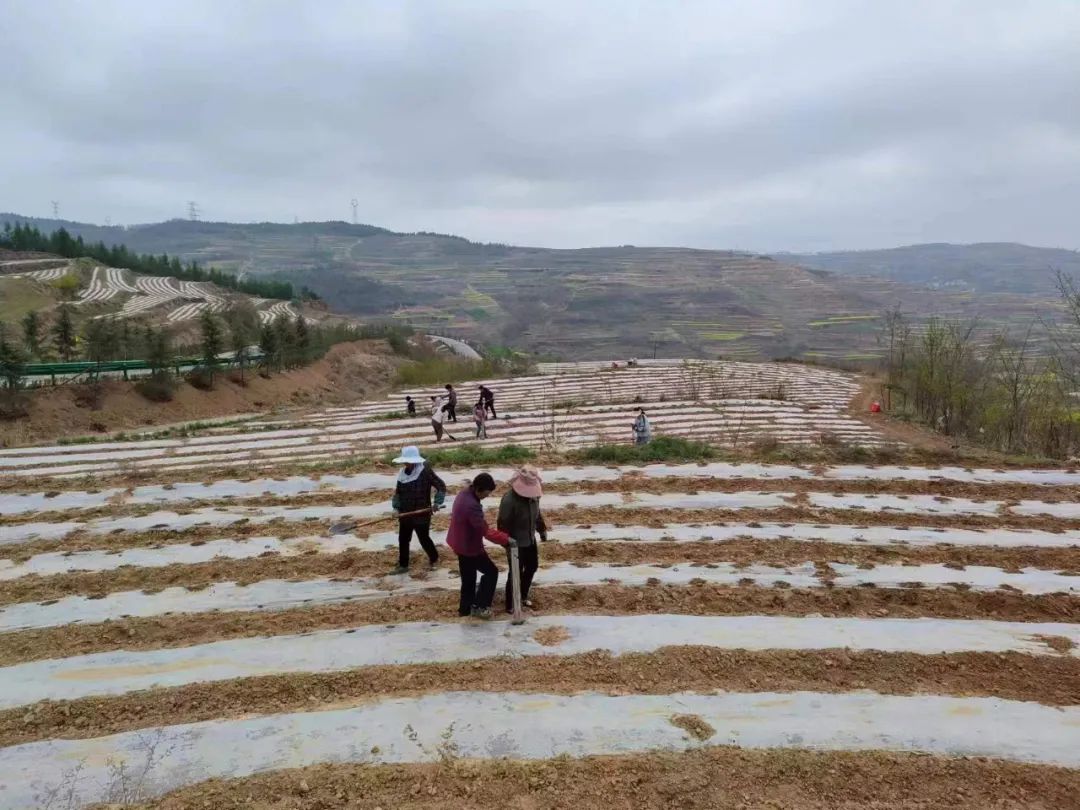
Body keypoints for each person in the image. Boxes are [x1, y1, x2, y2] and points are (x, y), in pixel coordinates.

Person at [445, 472, 510, 619]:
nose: (486, 497)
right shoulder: (471, 506)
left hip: (459, 542)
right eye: (486, 494)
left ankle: (465, 610)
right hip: (468, 546)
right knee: (491, 572)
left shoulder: (465, 493)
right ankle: (480, 606)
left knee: (468, 579)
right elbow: (484, 530)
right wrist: (506, 539)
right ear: (478, 489)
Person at [498, 465, 547, 612]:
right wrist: (507, 543)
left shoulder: (535, 497)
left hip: (530, 538)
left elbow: (537, 514)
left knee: (532, 566)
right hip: (515, 542)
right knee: (515, 573)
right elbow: (502, 524)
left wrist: (542, 529)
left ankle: (523, 595)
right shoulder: (509, 500)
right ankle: (511, 604)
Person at [389, 446, 446, 574]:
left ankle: (434, 558)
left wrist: (437, 502)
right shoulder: (402, 474)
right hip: (405, 513)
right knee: (403, 539)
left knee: (423, 538)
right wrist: (395, 508)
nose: (406, 463)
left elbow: (441, 486)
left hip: (422, 513)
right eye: (405, 461)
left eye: (408, 461)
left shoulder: (425, 471)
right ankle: (403, 565)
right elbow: (398, 493)